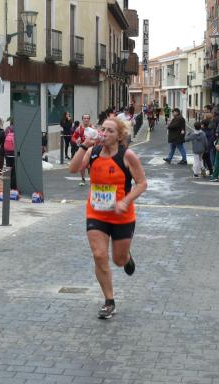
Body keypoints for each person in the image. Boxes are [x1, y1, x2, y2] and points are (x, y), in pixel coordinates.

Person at [68, 116, 147, 319]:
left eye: (111, 130)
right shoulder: (93, 152)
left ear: (119, 136)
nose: (105, 133)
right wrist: (84, 146)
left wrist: (125, 201)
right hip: (96, 212)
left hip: (122, 215)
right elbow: (73, 168)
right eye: (103, 129)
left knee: (118, 260)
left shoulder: (127, 156)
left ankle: (127, 257)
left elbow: (141, 183)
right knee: (99, 254)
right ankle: (109, 300)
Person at [71, 114, 93, 186]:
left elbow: (97, 138)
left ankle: (91, 179)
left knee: (90, 166)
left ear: (89, 119)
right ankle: (83, 179)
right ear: (82, 119)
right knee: (82, 164)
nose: (86, 119)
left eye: (87, 118)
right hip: (83, 149)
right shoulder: (79, 129)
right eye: (84, 118)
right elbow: (73, 137)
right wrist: (76, 141)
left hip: (91, 149)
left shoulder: (92, 128)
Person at [4, 117, 17, 190]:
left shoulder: (7, 129)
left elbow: (4, 139)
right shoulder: (18, 129)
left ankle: (7, 185)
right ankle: (13, 186)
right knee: (15, 170)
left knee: (8, 169)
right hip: (14, 153)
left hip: (7, 153)